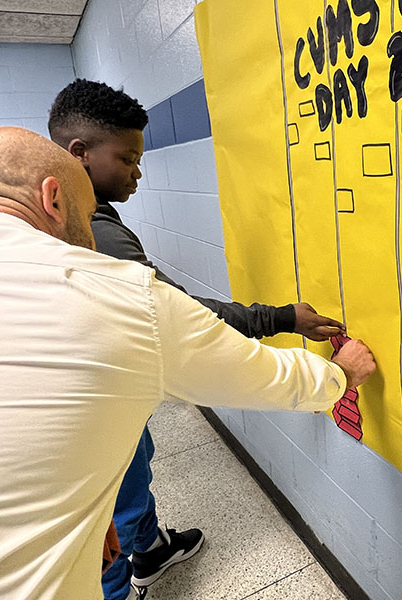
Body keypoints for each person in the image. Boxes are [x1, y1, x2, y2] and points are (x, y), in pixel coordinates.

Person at [0, 126, 376, 600]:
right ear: (54, 199)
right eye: (88, 215)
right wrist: (342, 373)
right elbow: (270, 379)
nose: (91, 234)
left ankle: (148, 546)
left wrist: (93, 510)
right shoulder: (121, 295)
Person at [48, 79, 348, 599]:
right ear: (80, 154)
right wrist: (280, 318)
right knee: (113, 502)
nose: (139, 172)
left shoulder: (63, 224)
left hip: (93, 390)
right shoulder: (99, 233)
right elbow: (181, 317)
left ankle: (152, 549)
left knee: (132, 463)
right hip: (92, 402)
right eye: (128, 158)